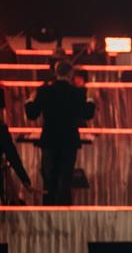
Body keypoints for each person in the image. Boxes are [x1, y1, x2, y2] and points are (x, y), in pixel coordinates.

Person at [25, 60, 95, 205]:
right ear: (70, 74)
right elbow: (87, 113)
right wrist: (90, 98)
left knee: (49, 181)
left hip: (49, 141)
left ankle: (48, 213)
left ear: (55, 73)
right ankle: (64, 215)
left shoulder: (44, 91)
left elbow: (31, 114)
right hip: (69, 142)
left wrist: (30, 99)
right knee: (65, 181)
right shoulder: (77, 92)